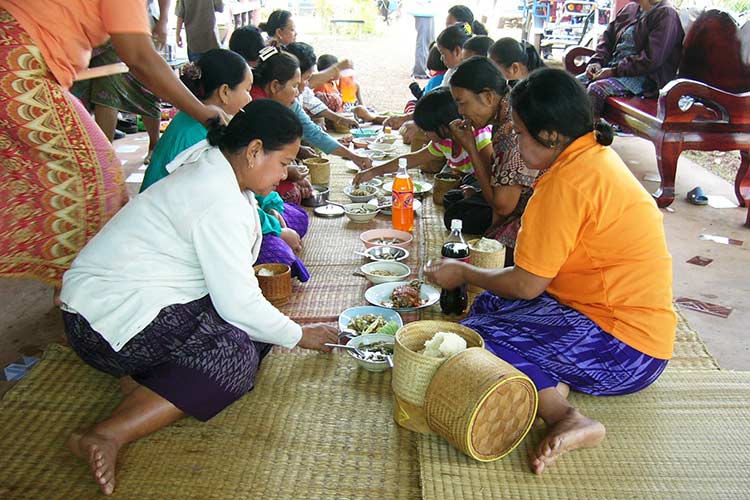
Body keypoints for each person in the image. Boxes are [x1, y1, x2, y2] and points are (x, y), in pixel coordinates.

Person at [60, 100, 339, 495]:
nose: (284, 173)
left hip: (124, 305)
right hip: (100, 324)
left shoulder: (220, 174)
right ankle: (107, 433)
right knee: (236, 358)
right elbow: (238, 305)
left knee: (256, 330)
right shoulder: (217, 198)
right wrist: (302, 335)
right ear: (255, 150)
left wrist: (282, 329)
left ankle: (151, 383)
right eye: (283, 162)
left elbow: (238, 298)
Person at [425, 68, 676, 475]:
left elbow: (526, 285)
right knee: (490, 304)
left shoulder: (564, 186)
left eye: (520, 133)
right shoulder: (594, 155)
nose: (516, 141)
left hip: (627, 352)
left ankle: (563, 415)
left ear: (552, 136)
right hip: (632, 328)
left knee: (480, 334)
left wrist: (464, 272)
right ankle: (547, 381)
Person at [0, 0, 223, 302]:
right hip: (18, 59)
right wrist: (203, 113)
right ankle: (83, 299)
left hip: (24, 56)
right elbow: (140, 58)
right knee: (96, 182)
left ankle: (77, 290)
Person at [140, 48, 311, 282]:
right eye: (247, 90)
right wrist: (274, 228)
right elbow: (222, 202)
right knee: (279, 257)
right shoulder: (195, 135)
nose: (250, 98)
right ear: (224, 92)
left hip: (225, 213)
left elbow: (247, 180)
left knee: (298, 217)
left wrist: (270, 209)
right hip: (181, 231)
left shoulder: (220, 122)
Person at [446, 56, 537, 265]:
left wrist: (470, 147)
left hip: (533, 213)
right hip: (514, 201)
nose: (460, 112)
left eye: (462, 103)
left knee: (487, 256)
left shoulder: (512, 128)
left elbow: (503, 207)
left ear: (488, 97)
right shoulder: (504, 113)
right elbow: (498, 182)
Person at [250, 46, 372, 200]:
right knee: (292, 195)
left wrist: (353, 156)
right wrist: (287, 171)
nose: (300, 90)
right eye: (295, 85)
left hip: (266, 170)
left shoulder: (288, 100)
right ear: (274, 86)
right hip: (253, 178)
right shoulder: (256, 107)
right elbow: (255, 158)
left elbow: (313, 132)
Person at [71, 0, 171, 163]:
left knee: (145, 87)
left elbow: (148, 64)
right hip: (94, 31)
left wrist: (163, 22)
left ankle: (154, 143)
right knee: (104, 91)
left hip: (131, 26)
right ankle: (103, 154)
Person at [354, 87, 492, 185]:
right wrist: (374, 172)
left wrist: (473, 191)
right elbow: (412, 159)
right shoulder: (445, 141)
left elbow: (489, 179)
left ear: (442, 127)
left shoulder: (480, 139)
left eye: (427, 129)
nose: (425, 134)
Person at [577, 0, 684, 117]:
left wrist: (614, 71)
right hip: (615, 70)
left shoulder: (666, 14)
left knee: (596, 90)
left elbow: (651, 59)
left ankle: (589, 132)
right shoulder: (630, 9)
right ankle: (567, 131)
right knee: (571, 85)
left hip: (644, 79)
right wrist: (597, 62)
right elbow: (607, 39)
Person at [284, 43, 360, 129]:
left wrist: (339, 119)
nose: (307, 83)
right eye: (307, 78)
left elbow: (312, 102)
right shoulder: (287, 101)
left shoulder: (297, 98)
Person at [311, 52, 388, 124]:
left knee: (362, 106)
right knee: (360, 110)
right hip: (335, 115)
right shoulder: (321, 86)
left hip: (342, 110)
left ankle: (367, 112)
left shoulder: (332, 83)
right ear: (332, 73)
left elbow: (348, 92)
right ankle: (376, 119)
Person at [407, 0, 437, 79]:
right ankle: (420, 71)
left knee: (428, 41)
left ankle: (423, 69)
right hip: (423, 9)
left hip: (427, 10)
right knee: (423, 42)